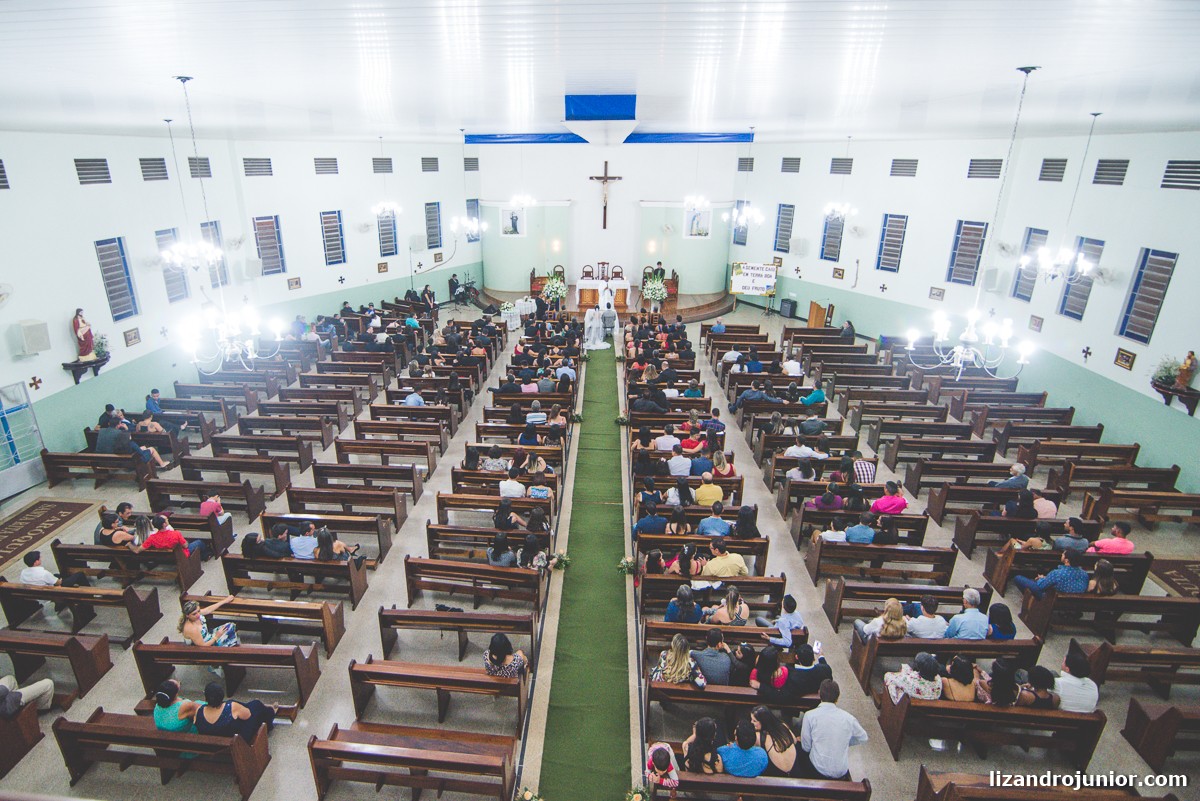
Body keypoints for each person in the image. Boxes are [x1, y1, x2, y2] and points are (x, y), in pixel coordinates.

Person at [798, 680, 868, 780]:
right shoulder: (848, 718)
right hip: (841, 772)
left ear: (819, 694)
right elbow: (863, 737)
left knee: (798, 750)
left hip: (817, 770)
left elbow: (806, 747)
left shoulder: (810, 715)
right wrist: (844, 740)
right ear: (838, 698)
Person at [193, 681, 278, 739]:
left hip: (216, 744)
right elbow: (248, 715)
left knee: (250, 707)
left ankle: (267, 710)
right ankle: (270, 714)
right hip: (238, 741)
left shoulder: (199, 711)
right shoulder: (231, 706)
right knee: (256, 705)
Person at [1013, 548, 1089, 600]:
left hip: (1052, 600)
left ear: (1066, 561)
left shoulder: (1057, 573)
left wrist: (1041, 578)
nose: (1061, 555)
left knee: (1018, 578)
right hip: (1072, 601)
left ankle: (1030, 601)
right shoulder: (1084, 574)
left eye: (1063, 554)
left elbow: (1041, 586)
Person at [20, 550, 90, 591]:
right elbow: (58, 583)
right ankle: (89, 591)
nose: (40, 559)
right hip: (52, 591)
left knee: (57, 575)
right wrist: (60, 580)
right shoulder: (43, 573)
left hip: (36, 591)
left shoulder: (23, 572)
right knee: (80, 575)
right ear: (36, 562)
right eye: (39, 558)